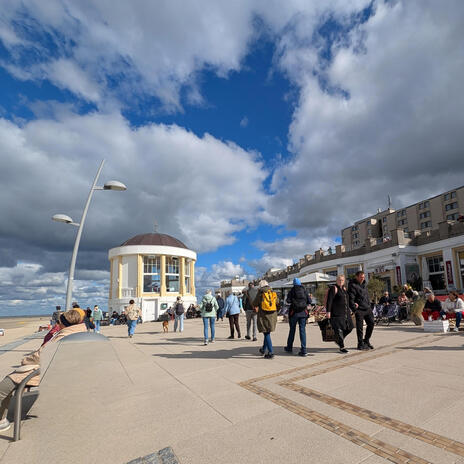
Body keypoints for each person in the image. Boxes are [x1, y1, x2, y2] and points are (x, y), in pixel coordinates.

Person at [0, 309, 86, 431]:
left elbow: (40, 356)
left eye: (58, 322)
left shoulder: (64, 336)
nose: (57, 324)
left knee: (3, 387)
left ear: (64, 324)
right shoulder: (79, 331)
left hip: (45, 371)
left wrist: (24, 361)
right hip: (60, 369)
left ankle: (1, 421)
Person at [326, 275, 353, 353]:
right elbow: (329, 301)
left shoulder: (344, 289)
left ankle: (338, 340)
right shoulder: (333, 288)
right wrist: (328, 312)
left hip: (346, 313)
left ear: (344, 281)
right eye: (339, 280)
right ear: (336, 280)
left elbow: (347, 301)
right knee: (339, 330)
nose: (341, 281)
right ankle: (342, 346)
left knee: (350, 328)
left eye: (342, 280)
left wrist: (352, 307)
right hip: (337, 313)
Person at [284, 278, 311, 356]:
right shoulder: (304, 291)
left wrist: (293, 300)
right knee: (302, 330)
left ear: (293, 284)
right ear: (300, 283)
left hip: (294, 313)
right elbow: (309, 301)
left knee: (292, 330)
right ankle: (304, 349)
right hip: (303, 313)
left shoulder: (291, 291)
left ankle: (289, 347)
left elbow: (288, 301)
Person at [348, 271, 374, 350]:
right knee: (360, 328)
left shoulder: (364, 284)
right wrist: (355, 309)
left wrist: (370, 305)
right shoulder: (352, 285)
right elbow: (351, 299)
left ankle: (366, 340)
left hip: (367, 308)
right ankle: (360, 344)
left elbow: (366, 295)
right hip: (359, 310)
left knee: (371, 324)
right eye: (361, 277)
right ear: (357, 277)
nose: (363, 278)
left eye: (363, 277)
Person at [253, 280, 278, 359]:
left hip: (264, 315)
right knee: (267, 333)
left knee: (266, 333)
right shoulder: (272, 291)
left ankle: (271, 352)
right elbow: (277, 302)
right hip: (273, 315)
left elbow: (254, 303)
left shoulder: (260, 293)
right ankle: (263, 349)